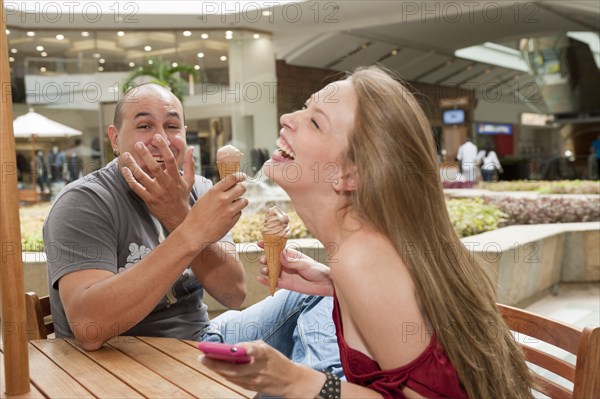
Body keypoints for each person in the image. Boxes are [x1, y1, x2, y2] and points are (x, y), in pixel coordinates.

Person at [200, 66, 534, 398]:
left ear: (350, 176)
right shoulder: (362, 249)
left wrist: (293, 381)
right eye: (304, 107)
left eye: (315, 121)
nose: (288, 117)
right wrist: (332, 283)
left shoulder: (361, 257)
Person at [43, 82, 341, 378]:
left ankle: (323, 392)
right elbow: (89, 328)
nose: (161, 138)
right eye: (144, 126)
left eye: (172, 125)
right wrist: (189, 230)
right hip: (121, 362)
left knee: (327, 292)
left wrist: (178, 216)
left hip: (202, 342)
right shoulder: (85, 202)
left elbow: (233, 293)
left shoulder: (200, 190)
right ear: (115, 139)